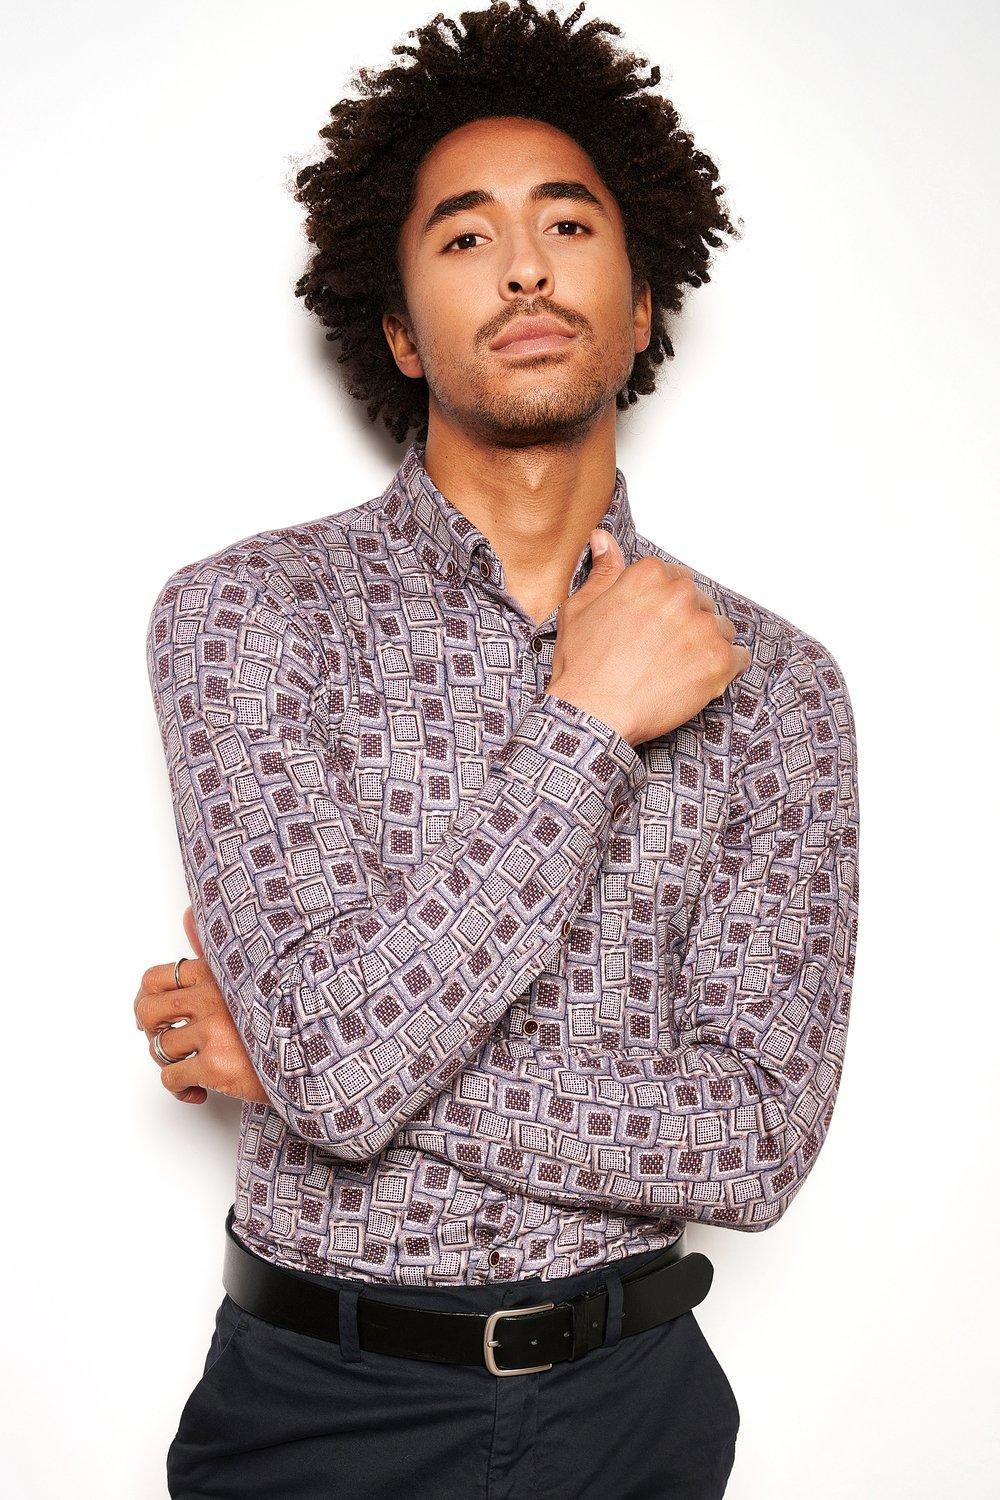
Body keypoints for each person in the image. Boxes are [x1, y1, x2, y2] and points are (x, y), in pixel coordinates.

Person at [135, 3, 861, 1496]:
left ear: (642, 302)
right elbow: (338, 1071)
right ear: (400, 329)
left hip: (637, 1415)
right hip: (317, 1415)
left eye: (567, 224)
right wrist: (586, 726)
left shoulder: (779, 685)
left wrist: (297, 1061)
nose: (525, 266)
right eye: (465, 236)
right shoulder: (248, 616)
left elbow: (756, 1143)